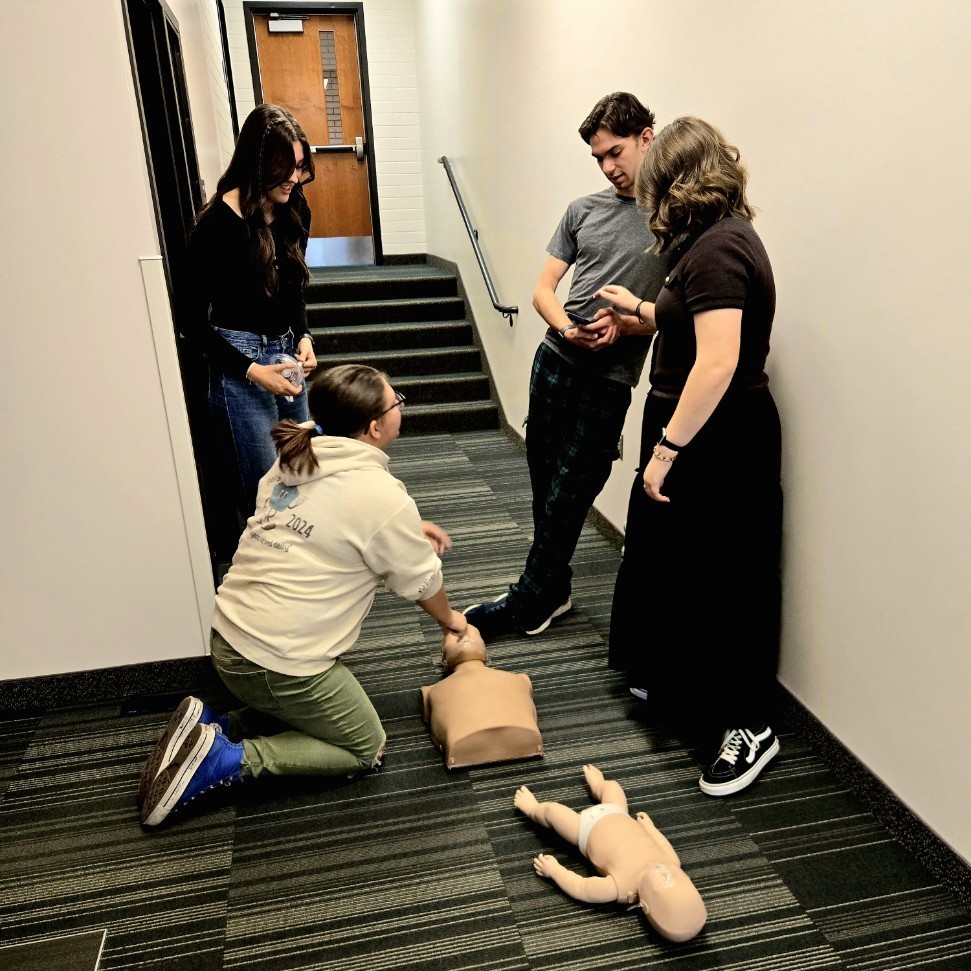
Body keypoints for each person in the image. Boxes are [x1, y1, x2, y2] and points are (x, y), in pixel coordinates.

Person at [139, 365, 468, 827]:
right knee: (363, 746)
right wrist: (450, 620)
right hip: (274, 660)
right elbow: (422, 582)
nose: (401, 407)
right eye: (397, 402)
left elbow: (328, 523)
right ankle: (224, 759)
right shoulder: (380, 495)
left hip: (228, 636)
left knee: (304, 702)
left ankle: (218, 725)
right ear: (375, 427)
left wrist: (404, 530)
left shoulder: (295, 457)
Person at [595, 117, 783, 797]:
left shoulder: (719, 247)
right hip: (699, 426)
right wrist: (644, 311)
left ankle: (750, 726)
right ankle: (687, 687)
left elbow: (718, 362)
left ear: (677, 182)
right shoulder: (705, 241)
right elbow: (699, 321)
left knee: (732, 576)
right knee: (688, 568)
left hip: (720, 435)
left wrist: (665, 450)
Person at [464, 92, 667, 640]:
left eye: (615, 152)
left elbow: (678, 312)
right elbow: (542, 289)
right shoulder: (583, 210)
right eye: (598, 158)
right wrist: (565, 328)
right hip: (554, 360)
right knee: (544, 482)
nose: (608, 167)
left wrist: (629, 325)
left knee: (571, 491)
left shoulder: (672, 218)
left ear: (647, 137)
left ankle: (529, 598)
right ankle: (552, 589)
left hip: (609, 380)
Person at [181, 103, 319, 519]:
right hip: (239, 365)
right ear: (258, 164)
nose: (294, 179)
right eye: (285, 168)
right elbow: (190, 321)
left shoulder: (295, 209)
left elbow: (292, 290)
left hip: (287, 355)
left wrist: (305, 336)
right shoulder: (216, 226)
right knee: (265, 495)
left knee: (303, 474)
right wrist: (252, 371)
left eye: (300, 167)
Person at [514, 765, 707, 942]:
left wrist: (555, 871)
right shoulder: (672, 861)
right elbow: (660, 842)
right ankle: (598, 785)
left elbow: (581, 888)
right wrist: (650, 827)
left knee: (552, 811)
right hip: (619, 812)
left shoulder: (620, 887)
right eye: (678, 879)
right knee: (612, 787)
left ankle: (533, 809)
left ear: (645, 905)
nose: (664, 872)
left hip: (584, 829)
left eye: (663, 884)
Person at [420, 625, 543, 769]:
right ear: (485, 653)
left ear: (445, 660)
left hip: (461, 747)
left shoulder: (431, 691)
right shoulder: (521, 679)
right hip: (528, 737)